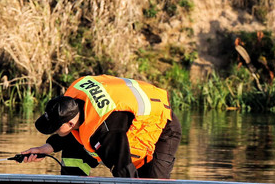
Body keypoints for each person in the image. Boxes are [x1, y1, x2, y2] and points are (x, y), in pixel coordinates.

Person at [21, 75, 181, 178]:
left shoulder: (105, 131)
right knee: (73, 151)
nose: (55, 131)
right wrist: (46, 148)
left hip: (162, 126)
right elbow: (72, 133)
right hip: (124, 114)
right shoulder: (73, 97)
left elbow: (125, 171)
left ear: (70, 123)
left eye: (56, 128)